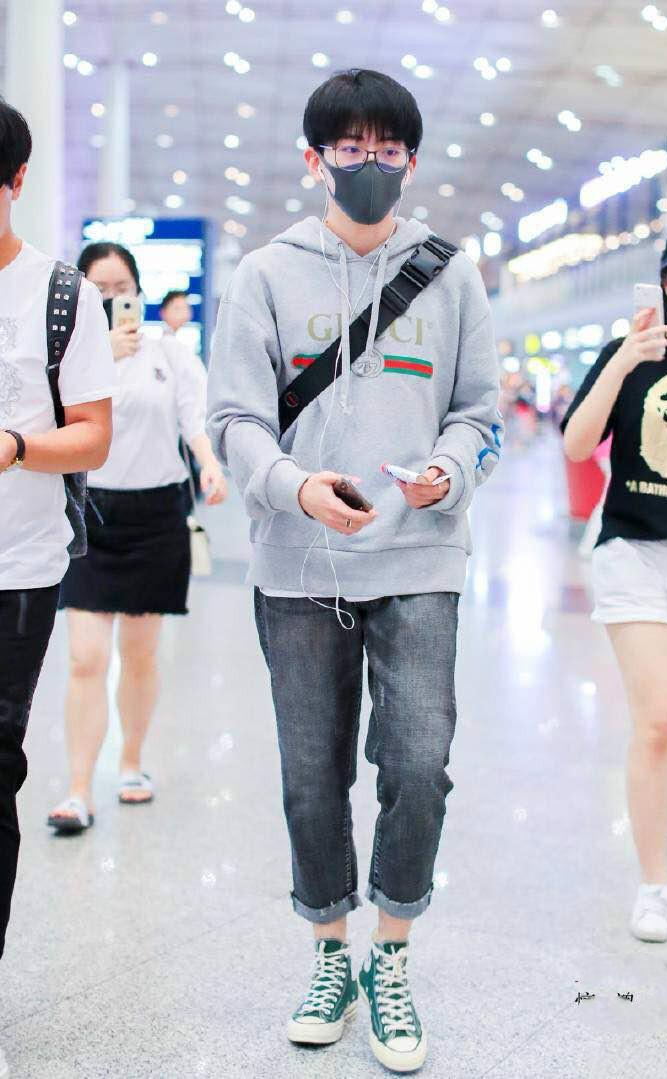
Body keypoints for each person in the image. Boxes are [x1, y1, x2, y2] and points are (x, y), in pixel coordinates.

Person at [207, 69, 502, 1073]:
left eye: (387, 149)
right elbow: (234, 418)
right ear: (315, 158)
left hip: (421, 553)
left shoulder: (451, 275)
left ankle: (393, 954)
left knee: (418, 761)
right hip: (299, 564)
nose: (368, 163)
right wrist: (293, 486)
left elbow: (479, 413)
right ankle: (331, 952)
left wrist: (448, 470)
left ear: (411, 162)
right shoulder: (264, 275)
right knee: (311, 773)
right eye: (350, 147)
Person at [563, 221, 667, 943]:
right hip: (635, 552)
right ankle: (653, 884)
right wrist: (626, 357)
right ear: (664, 281)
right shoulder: (628, 354)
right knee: (658, 722)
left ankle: (662, 809)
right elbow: (576, 444)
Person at [0, 98, 114, 1073]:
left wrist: (13, 446)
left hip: (16, 567)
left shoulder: (60, 295)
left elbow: (93, 436)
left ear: (16, 181)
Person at [47, 242, 227, 834]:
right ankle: (78, 788)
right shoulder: (67, 357)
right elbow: (50, 423)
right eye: (97, 290)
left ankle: (130, 762)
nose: (110, 299)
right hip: (90, 515)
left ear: (139, 292)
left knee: (140, 653)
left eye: (120, 288)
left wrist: (210, 464)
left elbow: (194, 418)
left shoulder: (169, 354)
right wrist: (99, 359)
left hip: (155, 516)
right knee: (86, 656)